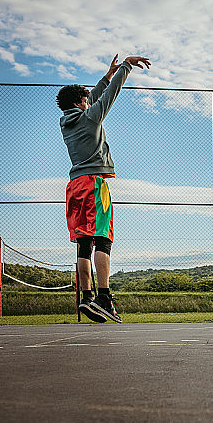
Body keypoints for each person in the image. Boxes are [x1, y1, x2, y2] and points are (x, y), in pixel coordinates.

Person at [56, 54, 150, 322]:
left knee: (83, 244)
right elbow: (108, 97)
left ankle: (86, 297)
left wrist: (106, 76)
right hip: (93, 185)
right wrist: (125, 68)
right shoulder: (90, 119)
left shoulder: (67, 122)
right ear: (79, 103)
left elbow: (94, 97)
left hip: (74, 187)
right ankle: (104, 296)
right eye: (85, 100)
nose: (90, 102)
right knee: (104, 240)